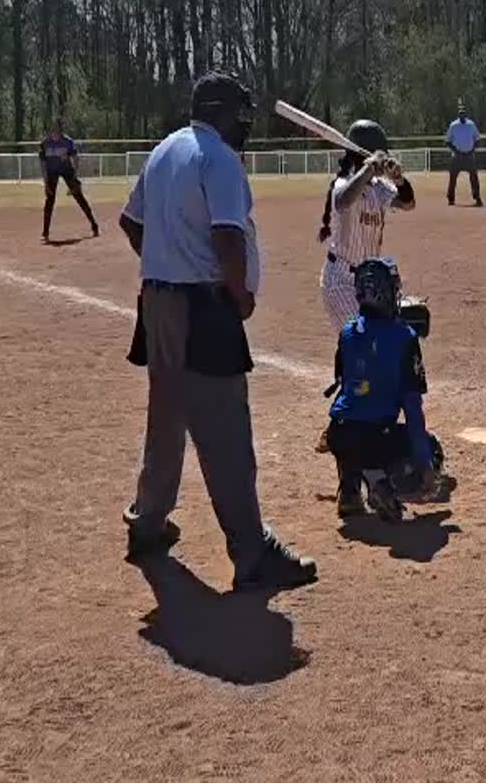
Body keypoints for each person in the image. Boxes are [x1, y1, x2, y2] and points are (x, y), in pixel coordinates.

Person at [118, 72, 316, 593]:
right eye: (239, 114)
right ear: (220, 112)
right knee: (225, 433)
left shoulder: (164, 150)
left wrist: (166, 260)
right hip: (202, 307)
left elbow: (130, 222)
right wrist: (240, 295)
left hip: (158, 302)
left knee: (166, 420)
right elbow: (228, 237)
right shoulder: (220, 158)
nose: (244, 124)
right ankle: (252, 554)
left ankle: (147, 525)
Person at [316, 119, 415, 517]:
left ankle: (350, 458)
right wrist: (369, 168)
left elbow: (408, 202)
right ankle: (353, 482)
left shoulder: (378, 188)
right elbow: (343, 202)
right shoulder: (346, 183)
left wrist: (397, 176)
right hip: (342, 282)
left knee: (369, 368)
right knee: (364, 366)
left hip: (372, 284)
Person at [325, 258, 452, 522]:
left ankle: (349, 492)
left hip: (338, 434)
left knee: (350, 420)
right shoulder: (404, 337)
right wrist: (425, 463)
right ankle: (381, 484)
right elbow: (412, 409)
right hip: (375, 438)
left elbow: (345, 386)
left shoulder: (347, 332)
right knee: (431, 447)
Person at [40, 119, 100, 241]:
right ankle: (45, 232)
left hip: (67, 170)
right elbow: (43, 164)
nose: (57, 130)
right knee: (49, 200)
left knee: (79, 197)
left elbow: (75, 158)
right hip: (52, 172)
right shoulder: (45, 143)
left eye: (59, 128)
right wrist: (46, 183)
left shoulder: (67, 142)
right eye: (55, 128)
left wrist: (75, 177)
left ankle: (94, 225)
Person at [445, 103, 483, 207]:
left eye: (463, 113)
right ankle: (451, 198)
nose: (462, 114)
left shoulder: (471, 125)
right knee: (452, 178)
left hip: (469, 156)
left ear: (466, 114)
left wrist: (473, 150)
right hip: (457, 157)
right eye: (460, 113)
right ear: (458, 115)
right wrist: (455, 150)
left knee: (474, 177)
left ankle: (477, 198)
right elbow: (447, 141)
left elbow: (478, 139)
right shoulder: (453, 125)